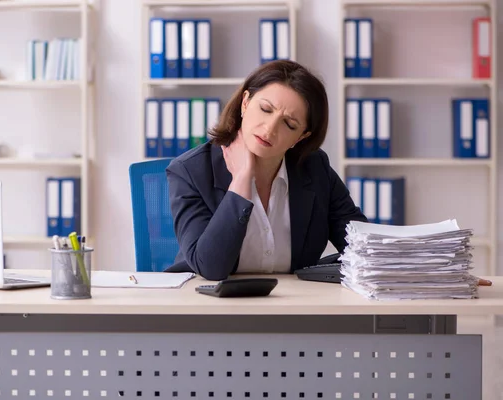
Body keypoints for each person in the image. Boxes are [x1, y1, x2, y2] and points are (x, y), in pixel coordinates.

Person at [164, 59, 493, 287]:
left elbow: (360, 242)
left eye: (289, 124)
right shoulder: (190, 171)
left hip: (292, 310)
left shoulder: (313, 169)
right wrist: (240, 182)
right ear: (245, 103)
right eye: (265, 109)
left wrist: (434, 271)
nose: (270, 128)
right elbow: (211, 267)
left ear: (302, 136)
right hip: (208, 312)